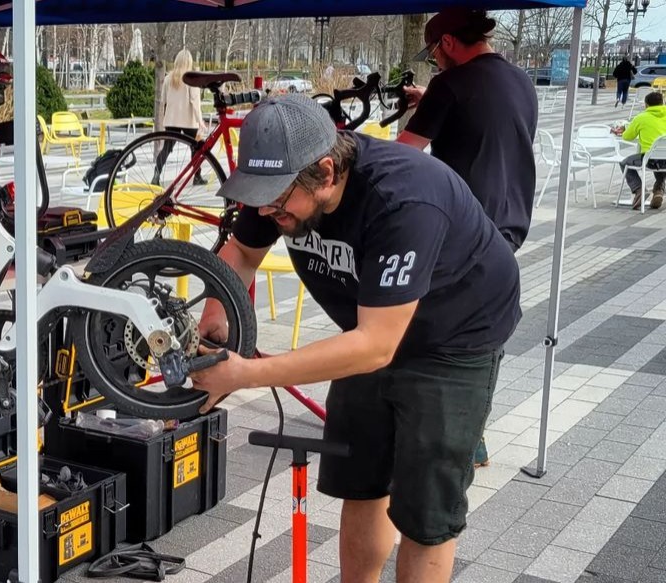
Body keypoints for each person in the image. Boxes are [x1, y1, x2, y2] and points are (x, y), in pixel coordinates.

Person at [190, 95, 521, 583]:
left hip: (454, 337)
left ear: (326, 172)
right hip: (369, 327)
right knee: (360, 479)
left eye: (277, 201)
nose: (264, 208)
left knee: (425, 510)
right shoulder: (280, 179)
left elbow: (375, 347)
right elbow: (241, 252)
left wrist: (246, 374)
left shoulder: (404, 200)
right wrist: (217, 316)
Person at [396, 7, 537, 468]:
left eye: (435, 53)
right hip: (509, 223)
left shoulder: (450, 85)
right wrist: (430, 100)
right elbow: (486, 121)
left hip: (461, 228)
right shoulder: (521, 81)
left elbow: (403, 156)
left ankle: (457, 435)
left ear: (449, 43)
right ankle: (471, 432)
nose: (435, 61)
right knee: (484, 327)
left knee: (442, 328)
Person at [153, 48, 208, 186]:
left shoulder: (168, 78)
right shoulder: (191, 79)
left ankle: (156, 175)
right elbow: (195, 102)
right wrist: (200, 120)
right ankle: (197, 176)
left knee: (166, 148)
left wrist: (165, 117)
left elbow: (163, 100)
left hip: (172, 120)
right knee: (196, 148)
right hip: (189, 120)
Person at [613, 90, 666, 209]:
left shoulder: (641, 118)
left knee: (624, 162)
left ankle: (639, 189)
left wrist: (624, 130)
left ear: (646, 105)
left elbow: (627, 136)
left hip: (649, 159)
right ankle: (658, 190)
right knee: (661, 161)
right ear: (662, 103)